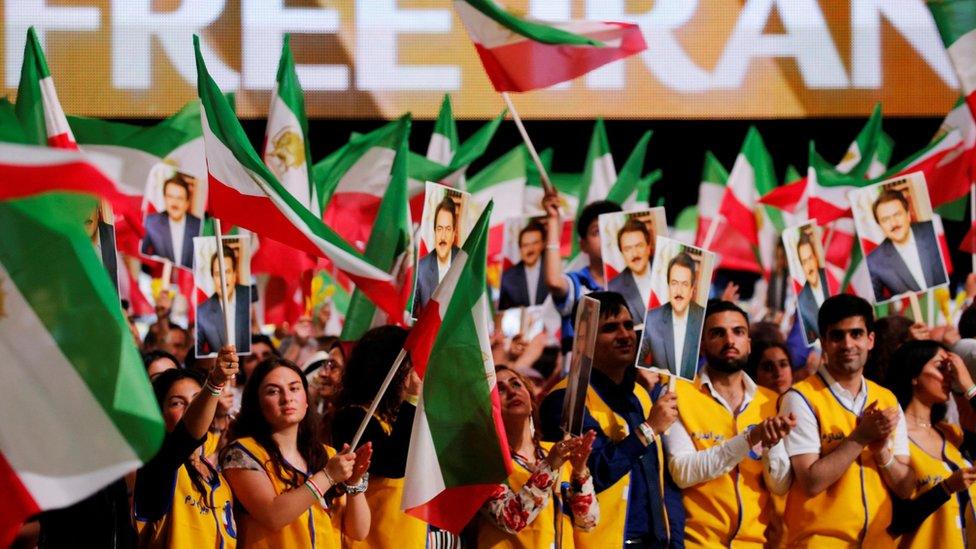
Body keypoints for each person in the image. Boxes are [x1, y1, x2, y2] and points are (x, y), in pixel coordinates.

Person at [540, 291, 684, 547]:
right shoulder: (566, 399)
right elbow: (590, 473)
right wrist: (648, 430)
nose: (625, 335)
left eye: (628, 325)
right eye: (610, 328)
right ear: (584, 340)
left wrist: (674, 540)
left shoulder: (640, 394)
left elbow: (661, 480)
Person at [779, 294, 915, 546]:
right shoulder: (801, 398)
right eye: (837, 336)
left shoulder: (887, 399)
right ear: (824, 342)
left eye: (856, 334)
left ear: (870, 340)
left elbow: (906, 487)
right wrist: (861, 437)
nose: (847, 344)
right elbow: (810, 482)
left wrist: (883, 454)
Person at [664, 300, 795, 546]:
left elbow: (779, 485)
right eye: (718, 333)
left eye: (738, 332)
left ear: (749, 343)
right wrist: (749, 439)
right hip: (697, 542)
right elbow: (682, 472)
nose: (730, 341)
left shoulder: (772, 402)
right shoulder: (678, 393)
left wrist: (771, 445)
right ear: (701, 344)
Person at [220, 358, 372, 548]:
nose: (287, 398)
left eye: (294, 388)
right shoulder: (241, 454)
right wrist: (327, 476)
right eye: (273, 391)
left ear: (306, 400)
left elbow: (358, 531)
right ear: (256, 403)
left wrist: (354, 484)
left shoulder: (327, 454)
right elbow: (273, 516)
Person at [477, 366, 599, 548]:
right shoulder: (484, 462)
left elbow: (587, 522)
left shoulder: (557, 451)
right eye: (500, 389)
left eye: (516, 384)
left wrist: (580, 470)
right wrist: (549, 466)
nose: (512, 392)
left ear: (531, 399)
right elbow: (510, 519)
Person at [133, 346, 239, 548]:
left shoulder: (216, 475)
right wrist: (215, 382)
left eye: (197, 399)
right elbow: (184, 438)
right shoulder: (157, 465)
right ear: (159, 414)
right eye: (176, 403)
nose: (190, 408)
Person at [331, 326, 427, 548]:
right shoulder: (353, 417)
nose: (416, 373)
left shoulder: (393, 417)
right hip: (371, 541)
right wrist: (412, 399)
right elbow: (395, 463)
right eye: (408, 366)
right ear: (387, 369)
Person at [885, 340, 976, 547]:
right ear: (914, 375)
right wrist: (946, 487)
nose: (950, 376)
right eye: (940, 368)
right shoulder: (893, 438)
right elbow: (897, 521)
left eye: (951, 369)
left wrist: (968, 387)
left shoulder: (951, 433)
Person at [542, 196, 621, 351]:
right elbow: (554, 281)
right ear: (583, 245)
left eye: (612, 229)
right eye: (597, 231)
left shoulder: (641, 285)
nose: (606, 237)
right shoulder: (577, 283)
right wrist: (553, 220)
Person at [865, 189, 947, 301]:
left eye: (897, 214)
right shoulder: (873, 262)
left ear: (908, 215)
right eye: (885, 220)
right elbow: (876, 302)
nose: (893, 223)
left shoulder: (933, 230)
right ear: (880, 226)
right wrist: (898, 301)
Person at [639, 252, 705, 379]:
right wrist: (653, 371)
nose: (678, 291)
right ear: (668, 285)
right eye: (674, 283)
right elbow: (638, 361)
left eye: (684, 284)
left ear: (692, 289)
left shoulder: (703, 318)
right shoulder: (652, 318)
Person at [197, 246, 251, 357]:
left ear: (235, 274)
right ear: (212, 278)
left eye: (227, 272)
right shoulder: (202, 313)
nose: (223, 279)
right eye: (217, 274)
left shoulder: (249, 296)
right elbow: (198, 353)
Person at [142, 172, 202, 267]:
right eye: (170, 196)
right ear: (164, 198)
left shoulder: (199, 226)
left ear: (187, 203)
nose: (174, 203)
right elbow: (142, 257)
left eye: (180, 198)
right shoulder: (151, 222)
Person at [415, 196, 460, 313]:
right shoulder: (421, 268)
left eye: (448, 229)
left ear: (454, 233)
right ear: (434, 231)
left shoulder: (465, 263)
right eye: (439, 229)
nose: (443, 236)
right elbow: (413, 310)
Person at [608, 219, 655, 323]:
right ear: (622, 253)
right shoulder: (614, 288)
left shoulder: (667, 268)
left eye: (639, 246)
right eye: (628, 249)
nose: (634, 254)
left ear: (648, 247)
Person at [499, 221, 550, 310]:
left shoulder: (553, 271)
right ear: (520, 248)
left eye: (535, 243)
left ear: (543, 244)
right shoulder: (507, 278)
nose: (530, 249)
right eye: (525, 245)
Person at [796, 231, 829, 343]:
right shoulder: (801, 301)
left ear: (816, 258)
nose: (809, 266)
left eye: (810, 258)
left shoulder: (831, 277)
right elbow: (808, 340)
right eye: (804, 262)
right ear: (801, 267)